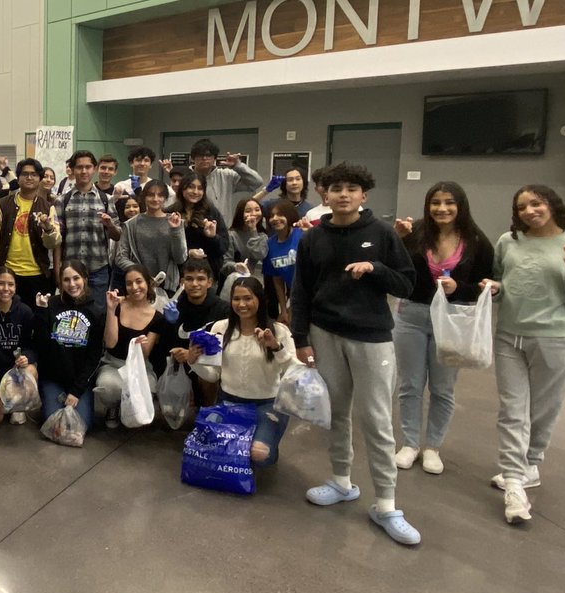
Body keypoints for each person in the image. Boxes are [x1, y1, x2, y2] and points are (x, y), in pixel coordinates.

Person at [289, 162, 420, 546]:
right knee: (337, 413)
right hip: (325, 333)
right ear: (324, 196)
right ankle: (342, 482)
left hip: (372, 337)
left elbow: (407, 282)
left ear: (364, 195)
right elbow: (302, 291)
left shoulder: (381, 233)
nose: (343, 194)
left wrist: (376, 268)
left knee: (377, 420)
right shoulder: (313, 238)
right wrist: (301, 338)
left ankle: (386, 504)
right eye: (335, 188)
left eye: (351, 188)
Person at [482, 184, 565, 524]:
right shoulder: (509, 242)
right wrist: (495, 288)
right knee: (512, 410)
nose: (529, 211)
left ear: (551, 204)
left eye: (535, 203)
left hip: (556, 339)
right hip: (509, 336)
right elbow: (502, 279)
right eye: (521, 207)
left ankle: (530, 464)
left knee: (544, 409)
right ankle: (514, 486)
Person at [391, 182, 494, 475]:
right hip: (411, 314)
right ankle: (410, 444)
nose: (442, 208)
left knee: (443, 388)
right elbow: (392, 267)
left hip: (452, 320)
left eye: (449, 202)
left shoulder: (475, 240)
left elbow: (485, 285)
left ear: (460, 206)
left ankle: (433, 447)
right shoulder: (415, 232)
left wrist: (458, 287)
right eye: (436, 202)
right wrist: (397, 239)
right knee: (410, 385)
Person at [190, 277, 300, 466]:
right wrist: (194, 362)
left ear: (260, 299)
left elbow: (296, 373)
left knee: (259, 454)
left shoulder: (279, 331)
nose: (242, 304)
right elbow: (214, 375)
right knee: (209, 447)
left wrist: (276, 348)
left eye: (248, 298)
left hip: (266, 405)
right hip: (228, 401)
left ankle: (266, 440)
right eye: (236, 299)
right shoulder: (220, 328)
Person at [34, 260, 105, 433]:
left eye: (76, 278)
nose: (72, 284)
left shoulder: (96, 310)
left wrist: (77, 390)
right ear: (60, 282)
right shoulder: (51, 304)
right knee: (53, 424)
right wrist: (42, 313)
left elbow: (95, 356)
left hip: (80, 380)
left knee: (81, 426)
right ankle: (49, 400)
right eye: (66, 280)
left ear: (85, 279)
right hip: (53, 378)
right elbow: (40, 345)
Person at [94, 265, 166, 429]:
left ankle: (130, 408)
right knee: (108, 386)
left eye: (139, 281)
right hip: (113, 363)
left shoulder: (157, 317)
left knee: (144, 388)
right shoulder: (118, 305)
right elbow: (110, 343)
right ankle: (112, 407)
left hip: (140, 366)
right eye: (129, 283)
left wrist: (140, 345)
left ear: (148, 283)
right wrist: (111, 311)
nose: (134, 287)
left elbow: (145, 356)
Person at [0, 158, 61, 301]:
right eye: (25, 174)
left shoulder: (48, 207)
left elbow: (53, 243)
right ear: (18, 178)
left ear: (40, 179)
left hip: (39, 276)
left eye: (34, 174)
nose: (29, 177)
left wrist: (48, 229)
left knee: (38, 320)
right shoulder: (2, 205)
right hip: (8, 275)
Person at [56, 150, 121, 314]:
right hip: (71, 271)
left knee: (98, 315)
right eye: (79, 167)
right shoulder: (62, 200)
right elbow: (57, 239)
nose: (84, 171)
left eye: (88, 167)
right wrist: (57, 269)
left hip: (98, 269)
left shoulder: (106, 199)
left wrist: (109, 225)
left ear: (94, 169)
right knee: (71, 315)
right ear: (72, 169)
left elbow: (118, 235)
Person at [160, 258, 231, 406]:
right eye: (189, 279)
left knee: (206, 374)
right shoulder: (175, 307)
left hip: (211, 366)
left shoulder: (223, 309)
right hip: (180, 365)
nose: (195, 284)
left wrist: (192, 356)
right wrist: (170, 324)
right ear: (182, 282)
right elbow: (166, 344)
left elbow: (224, 348)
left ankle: (209, 411)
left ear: (209, 282)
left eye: (200, 279)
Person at [0, 267, 39, 428]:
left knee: (31, 370)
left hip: (15, 373)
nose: (6, 289)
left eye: (10, 284)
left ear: (15, 287)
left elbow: (32, 345)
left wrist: (27, 356)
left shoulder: (24, 311)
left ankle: (17, 405)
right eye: (1, 284)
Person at [114, 180, 188, 294]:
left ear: (166, 198)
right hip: (138, 285)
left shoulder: (175, 221)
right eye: (151, 195)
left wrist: (175, 230)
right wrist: (142, 274)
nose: (155, 199)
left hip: (168, 285)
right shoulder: (131, 224)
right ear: (144, 197)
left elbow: (180, 258)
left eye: (160, 195)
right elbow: (120, 257)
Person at [188, 138, 264, 221]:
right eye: (200, 155)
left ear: (214, 158)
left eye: (209, 155)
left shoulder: (226, 176)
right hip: (192, 228)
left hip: (222, 229)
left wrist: (238, 166)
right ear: (193, 158)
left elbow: (257, 182)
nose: (204, 158)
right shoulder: (185, 176)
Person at [171, 171, 228, 279]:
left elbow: (224, 246)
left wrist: (213, 237)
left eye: (200, 188)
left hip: (208, 273)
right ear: (182, 188)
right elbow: (165, 246)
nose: (195, 192)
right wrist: (188, 253)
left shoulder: (211, 212)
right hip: (179, 274)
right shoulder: (171, 212)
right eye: (191, 187)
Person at [262, 201, 303, 324]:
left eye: (280, 214)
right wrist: (284, 310)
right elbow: (277, 279)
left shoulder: (301, 235)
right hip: (294, 295)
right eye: (272, 216)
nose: (275, 219)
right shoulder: (270, 244)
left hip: (312, 293)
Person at [227, 197, 268, 274]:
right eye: (248, 211)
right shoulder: (231, 235)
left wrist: (253, 230)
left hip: (248, 279)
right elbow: (225, 262)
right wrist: (236, 266)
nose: (254, 214)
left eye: (257, 210)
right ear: (240, 214)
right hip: (230, 278)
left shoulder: (262, 235)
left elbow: (260, 255)